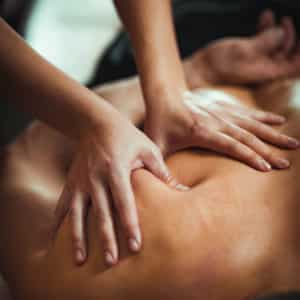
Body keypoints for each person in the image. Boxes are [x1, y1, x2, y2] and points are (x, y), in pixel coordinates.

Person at [0, 15, 300, 300]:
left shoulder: (179, 258)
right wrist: (191, 74)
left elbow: (26, 159)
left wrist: (196, 71)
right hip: (215, 67)